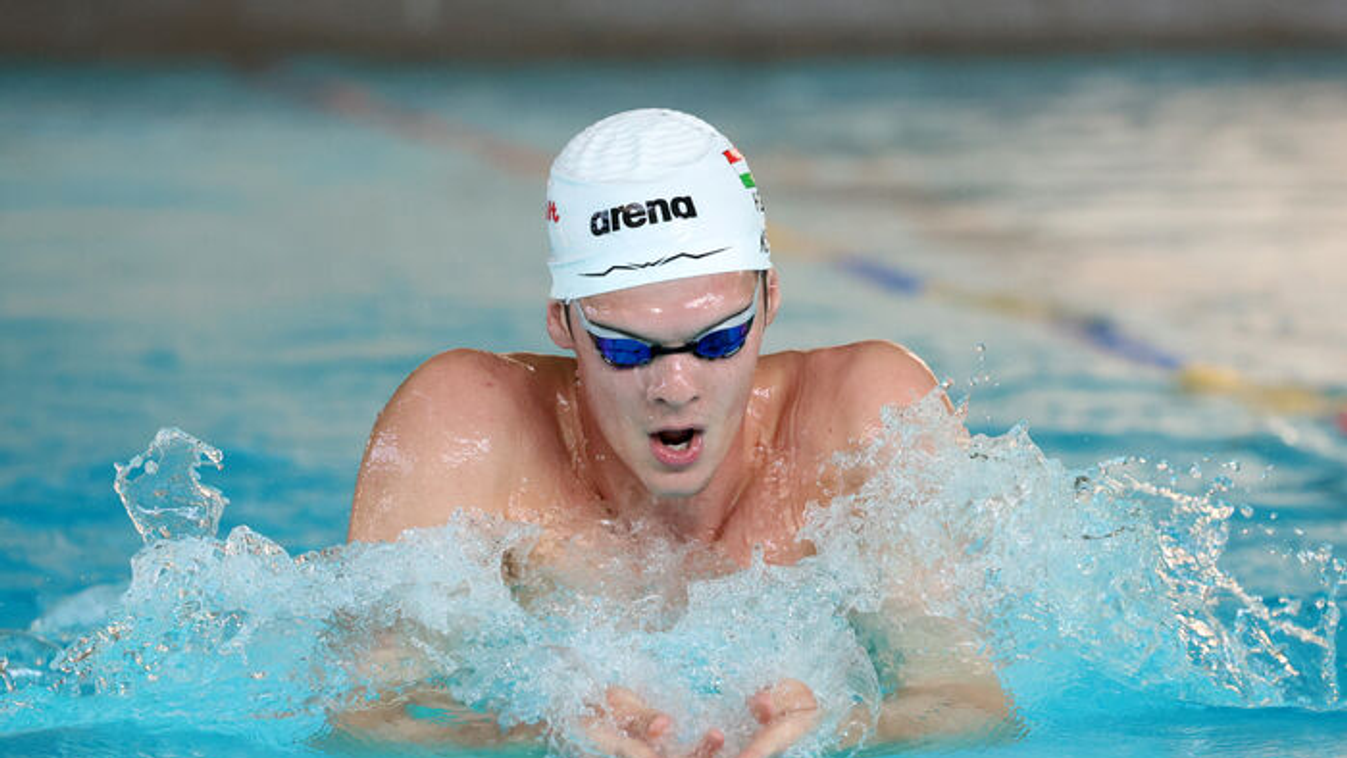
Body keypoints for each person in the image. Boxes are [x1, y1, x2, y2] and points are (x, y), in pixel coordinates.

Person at [345, 108, 1009, 757]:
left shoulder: (866, 417)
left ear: (770, 299)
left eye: (718, 340)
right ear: (561, 321)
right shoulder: (468, 427)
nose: (674, 386)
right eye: (627, 349)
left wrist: (839, 733)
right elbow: (364, 718)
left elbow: (966, 703)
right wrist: (532, 740)